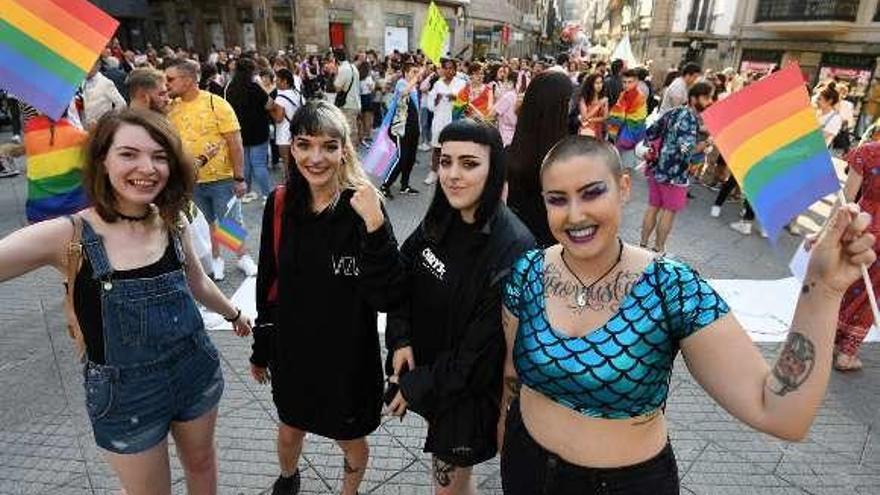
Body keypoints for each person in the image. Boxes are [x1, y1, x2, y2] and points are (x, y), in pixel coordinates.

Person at [498, 134, 877, 494]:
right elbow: (512, 373)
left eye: (592, 192)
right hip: (525, 465)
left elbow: (779, 412)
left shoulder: (671, 287)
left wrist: (823, 291)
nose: (575, 214)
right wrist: (503, 437)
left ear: (625, 188)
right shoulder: (528, 271)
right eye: (557, 199)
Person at [0, 109, 252, 494]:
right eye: (129, 154)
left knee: (202, 465)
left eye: (159, 156)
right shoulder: (68, 234)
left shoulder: (171, 218)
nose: (147, 168)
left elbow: (197, 282)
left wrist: (234, 313)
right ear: (102, 159)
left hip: (195, 368)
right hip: (125, 394)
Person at [250, 100, 405, 495]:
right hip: (295, 351)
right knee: (289, 432)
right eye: (304, 144)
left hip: (347, 358)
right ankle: (288, 478)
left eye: (328, 146)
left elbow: (387, 294)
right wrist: (262, 346)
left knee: (350, 440)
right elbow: (269, 279)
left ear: (344, 149)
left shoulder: (363, 205)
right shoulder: (282, 203)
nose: (315, 158)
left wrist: (375, 226)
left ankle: (347, 492)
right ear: (292, 147)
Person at [384, 119, 535, 494]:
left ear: (494, 169)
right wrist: (401, 338)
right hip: (432, 372)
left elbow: (478, 355)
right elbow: (403, 278)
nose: (452, 175)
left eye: (469, 164)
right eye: (445, 161)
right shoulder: (442, 214)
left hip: (468, 391)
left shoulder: (512, 247)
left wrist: (414, 385)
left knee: (447, 486)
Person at [165, 58, 257, 280]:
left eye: (170, 79)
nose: (166, 84)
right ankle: (216, 258)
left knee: (230, 221)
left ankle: (242, 256)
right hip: (191, 180)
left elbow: (235, 142)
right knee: (204, 223)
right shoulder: (170, 109)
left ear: (187, 80)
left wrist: (239, 177)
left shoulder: (217, 104)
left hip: (222, 178)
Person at [640, 82, 714, 253]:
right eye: (706, 97)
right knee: (669, 211)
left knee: (653, 206)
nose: (709, 101)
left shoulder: (675, 112)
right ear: (694, 98)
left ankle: (642, 245)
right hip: (675, 173)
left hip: (657, 167)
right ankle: (658, 249)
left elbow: (651, 132)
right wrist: (706, 143)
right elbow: (687, 151)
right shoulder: (689, 119)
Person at [506, 71, 574, 248]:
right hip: (551, 248)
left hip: (517, 241)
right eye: (567, 101)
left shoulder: (511, 151)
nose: (571, 106)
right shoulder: (565, 159)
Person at [835, 141, 880, 371]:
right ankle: (847, 352)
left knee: (846, 284)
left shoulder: (867, 152)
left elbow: (846, 198)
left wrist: (825, 233)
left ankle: (831, 338)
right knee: (870, 293)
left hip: (862, 227)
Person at [225, 57, 278, 204]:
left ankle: (246, 193)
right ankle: (267, 195)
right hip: (258, 130)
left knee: (246, 164)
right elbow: (269, 105)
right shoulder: (254, 87)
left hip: (239, 130)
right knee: (259, 164)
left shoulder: (230, 87)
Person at [381, 63, 423, 199]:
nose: (415, 74)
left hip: (413, 128)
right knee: (401, 158)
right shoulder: (401, 83)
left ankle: (404, 185)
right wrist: (417, 77)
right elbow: (404, 92)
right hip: (400, 129)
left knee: (410, 159)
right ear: (406, 73)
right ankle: (385, 186)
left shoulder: (414, 87)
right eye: (412, 71)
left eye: (416, 71)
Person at [427, 59, 467, 185]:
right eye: (447, 68)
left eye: (452, 68)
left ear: (455, 70)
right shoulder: (438, 84)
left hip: (454, 120)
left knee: (454, 150)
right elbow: (430, 106)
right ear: (443, 70)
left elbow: (465, 101)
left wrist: (454, 97)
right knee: (437, 148)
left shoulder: (461, 83)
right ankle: (433, 173)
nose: (450, 71)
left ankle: (452, 175)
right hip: (440, 119)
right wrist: (437, 100)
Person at [607, 69, 647, 174]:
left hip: (631, 133)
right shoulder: (622, 95)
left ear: (636, 82)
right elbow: (618, 112)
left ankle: (624, 184)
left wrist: (620, 115)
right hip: (621, 132)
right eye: (624, 82)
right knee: (619, 162)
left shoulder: (640, 98)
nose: (626, 85)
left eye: (630, 82)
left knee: (626, 166)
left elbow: (640, 118)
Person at [273, 68, 302, 182]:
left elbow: (279, 118)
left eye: (278, 80)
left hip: (284, 134)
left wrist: (271, 111)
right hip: (296, 131)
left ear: (284, 81)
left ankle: (289, 184)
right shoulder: (297, 93)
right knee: (296, 162)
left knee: (287, 164)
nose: (276, 82)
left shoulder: (280, 98)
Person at [82, 62, 127, 130]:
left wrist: (106, 122)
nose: (86, 68)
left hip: (102, 129)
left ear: (98, 65)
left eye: (90, 65)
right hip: (84, 129)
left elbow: (122, 104)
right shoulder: (81, 82)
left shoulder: (106, 83)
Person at [333, 47, 362, 145]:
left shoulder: (343, 69)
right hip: (355, 102)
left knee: (349, 131)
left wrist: (335, 74)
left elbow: (337, 88)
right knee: (353, 129)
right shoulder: (353, 67)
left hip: (347, 104)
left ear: (336, 59)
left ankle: (351, 155)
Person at [490, 71, 520, 147]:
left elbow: (492, 114)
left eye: (505, 80)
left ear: (510, 82)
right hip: (514, 136)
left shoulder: (508, 96)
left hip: (504, 137)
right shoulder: (517, 97)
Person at [577, 73, 609, 139]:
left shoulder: (604, 98)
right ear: (591, 84)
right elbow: (585, 117)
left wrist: (590, 120)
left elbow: (605, 117)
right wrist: (598, 105)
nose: (599, 85)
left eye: (601, 82)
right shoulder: (584, 98)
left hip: (599, 130)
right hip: (586, 130)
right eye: (596, 83)